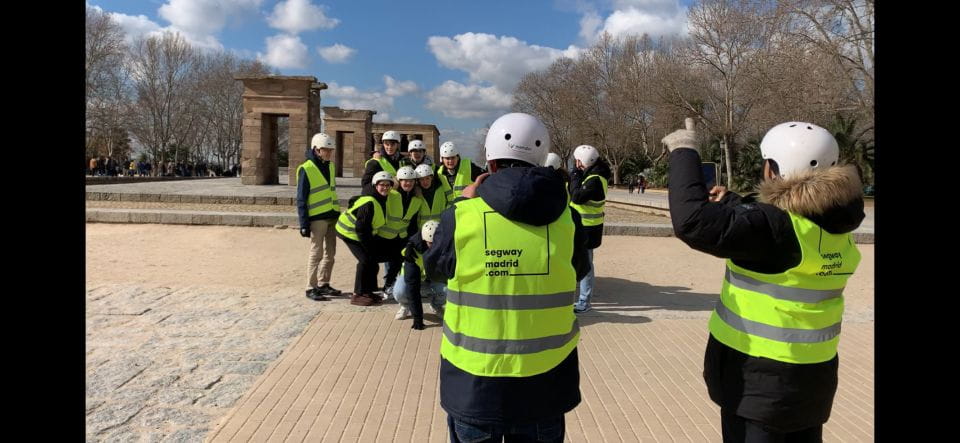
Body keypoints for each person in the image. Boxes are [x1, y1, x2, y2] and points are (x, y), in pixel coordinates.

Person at [663, 118, 865, 442]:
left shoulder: (774, 230)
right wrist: (733, 202)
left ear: (773, 169)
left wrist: (684, 151)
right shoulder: (835, 224)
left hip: (759, 389)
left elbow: (692, 222)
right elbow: (783, 218)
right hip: (812, 385)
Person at [423, 112, 590, 443]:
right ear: (542, 159)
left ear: (490, 162)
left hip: (475, 387)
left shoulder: (462, 215)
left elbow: (436, 269)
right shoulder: (567, 217)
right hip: (546, 387)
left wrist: (463, 203)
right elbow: (580, 270)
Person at [335, 171, 397, 307]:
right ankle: (357, 294)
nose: (385, 188)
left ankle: (368, 291)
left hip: (362, 233)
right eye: (382, 185)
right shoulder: (369, 202)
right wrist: (369, 248)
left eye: (388, 185)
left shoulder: (382, 198)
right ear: (375, 185)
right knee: (365, 260)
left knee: (372, 259)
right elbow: (361, 229)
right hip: (349, 232)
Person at [297, 133, 343, 301]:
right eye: (326, 150)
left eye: (330, 150)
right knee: (315, 253)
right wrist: (304, 223)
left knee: (330, 253)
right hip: (317, 217)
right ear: (316, 149)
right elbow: (301, 198)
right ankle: (311, 287)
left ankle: (324, 283)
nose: (329, 153)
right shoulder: (306, 168)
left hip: (331, 215)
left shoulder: (330, 166)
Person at [568, 144, 612, 313]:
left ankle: (584, 302)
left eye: (577, 161)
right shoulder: (594, 175)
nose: (576, 164)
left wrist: (574, 175)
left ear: (582, 161)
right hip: (586, 227)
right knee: (581, 263)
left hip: (587, 229)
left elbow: (577, 196)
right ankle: (581, 299)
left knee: (585, 266)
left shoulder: (594, 180)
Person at [379, 165, 425, 299]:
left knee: (399, 262)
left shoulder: (417, 199)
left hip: (403, 236)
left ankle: (395, 287)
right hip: (387, 235)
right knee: (391, 263)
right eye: (404, 180)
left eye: (410, 180)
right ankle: (387, 287)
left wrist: (412, 240)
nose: (408, 183)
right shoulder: (391, 194)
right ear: (399, 181)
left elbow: (413, 222)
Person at [393, 220, 446, 329]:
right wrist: (418, 318)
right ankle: (405, 306)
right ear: (424, 239)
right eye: (430, 243)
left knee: (447, 290)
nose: (434, 247)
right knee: (400, 292)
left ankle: (437, 305)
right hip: (412, 278)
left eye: (436, 243)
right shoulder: (412, 253)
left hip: (433, 278)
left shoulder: (445, 247)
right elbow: (412, 288)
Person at [414, 163, 449, 228]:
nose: (425, 182)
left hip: (440, 227)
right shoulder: (416, 193)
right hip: (422, 229)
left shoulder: (441, 189)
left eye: (427, 178)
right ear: (418, 181)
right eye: (422, 179)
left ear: (432, 178)